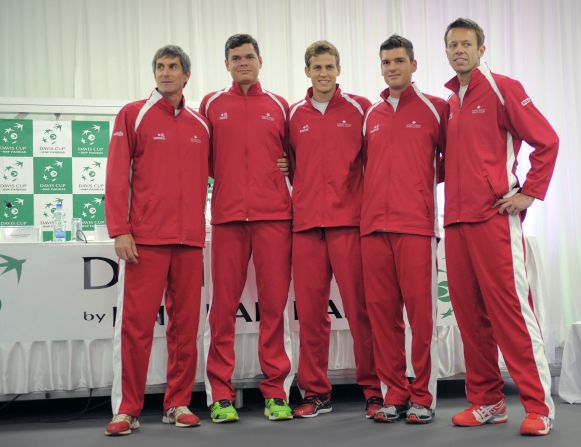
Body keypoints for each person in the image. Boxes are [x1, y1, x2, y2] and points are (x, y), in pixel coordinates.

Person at [442, 18, 559, 436]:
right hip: (455, 222)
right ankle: (488, 401)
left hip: (493, 219)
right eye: (453, 45)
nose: (459, 50)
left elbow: (547, 140)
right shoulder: (450, 101)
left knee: (511, 314)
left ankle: (539, 406)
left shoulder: (502, 87)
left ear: (481, 48)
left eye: (466, 44)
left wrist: (528, 193)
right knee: (470, 318)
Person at [104, 45, 210, 436]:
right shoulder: (133, 114)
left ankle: (177, 402)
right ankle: (127, 409)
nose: (166, 73)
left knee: (185, 327)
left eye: (173, 67)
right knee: (135, 327)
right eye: (160, 67)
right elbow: (116, 176)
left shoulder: (202, 124)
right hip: (144, 241)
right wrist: (121, 229)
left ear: (186, 75)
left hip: (189, 241)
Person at [200, 34, 294, 423]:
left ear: (260, 61)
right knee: (222, 310)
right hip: (227, 219)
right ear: (226, 64)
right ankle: (220, 393)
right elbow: (203, 160)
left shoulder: (280, 106)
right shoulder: (210, 105)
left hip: (274, 217)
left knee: (274, 309)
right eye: (235, 58)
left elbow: (294, 157)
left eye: (249, 57)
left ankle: (276, 391)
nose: (243, 63)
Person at [288, 40, 383, 419]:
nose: (323, 73)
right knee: (311, 315)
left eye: (330, 67)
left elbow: (376, 160)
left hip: (351, 226)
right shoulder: (293, 115)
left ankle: (375, 390)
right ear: (307, 71)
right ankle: (316, 392)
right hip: (307, 227)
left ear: (339, 70)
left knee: (363, 312)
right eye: (317, 67)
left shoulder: (361, 109)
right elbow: (291, 165)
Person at [360, 35, 447, 424]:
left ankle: (423, 395)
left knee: (421, 316)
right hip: (373, 227)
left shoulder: (435, 109)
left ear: (414, 64)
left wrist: (417, 189)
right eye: (386, 62)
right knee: (383, 316)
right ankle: (393, 393)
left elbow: (452, 161)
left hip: (415, 226)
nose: (392, 67)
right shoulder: (370, 115)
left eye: (398, 61)